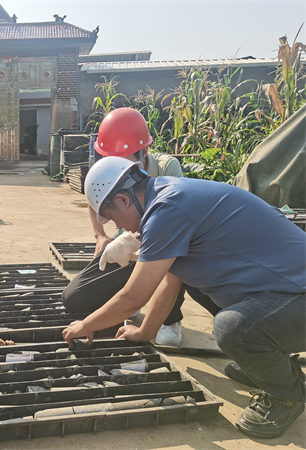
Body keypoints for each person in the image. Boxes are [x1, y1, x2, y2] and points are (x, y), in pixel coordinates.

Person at [62, 156, 305, 439]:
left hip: (298, 296)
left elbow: (132, 299)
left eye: (114, 216)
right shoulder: (167, 195)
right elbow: (172, 279)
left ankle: (287, 395)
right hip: (286, 290)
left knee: (233, 328)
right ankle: (267, 361)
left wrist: (85, 325)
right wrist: (144, 331)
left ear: (123, 200)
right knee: (200, 280)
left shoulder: (167, 210)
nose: (121, 227)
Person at [62, 107, 186, 347]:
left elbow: (176, 230)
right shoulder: (106, 166)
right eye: (110, 160)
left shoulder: (167, 169)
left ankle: (169, 319)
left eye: (122, 160)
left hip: (162, 246)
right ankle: (131, 299)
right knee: (74, 299)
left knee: (180, 259)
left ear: (144, 152)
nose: (115, 167)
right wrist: (101, 236)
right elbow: (94, 198)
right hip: (127, 248)